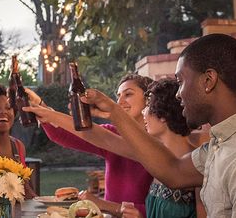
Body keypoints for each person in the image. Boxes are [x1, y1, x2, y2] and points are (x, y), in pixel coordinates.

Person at [81, 34, 236, 218]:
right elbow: (172, 171)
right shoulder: (228, 141)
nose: (177, 94)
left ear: (208, 80)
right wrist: (113, 111)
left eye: (181, 81)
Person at [23, 74, 154, 216]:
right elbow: (61, 134)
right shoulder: (113, 133)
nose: (120, 101)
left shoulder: (159, 144)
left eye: (128, 94)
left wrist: (106, 205)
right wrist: (40, 105)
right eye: (118, 96)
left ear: (148, 99)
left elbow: (163, 208)